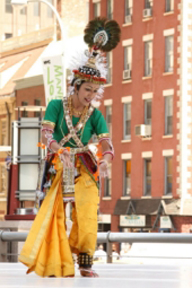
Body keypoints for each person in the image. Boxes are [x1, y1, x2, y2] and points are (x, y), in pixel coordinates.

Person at [19, 17, 121, 278]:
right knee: (55, 216)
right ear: (76, 86)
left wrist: (107, 156)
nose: (91, 95)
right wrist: (58, 150)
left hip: (84, 166)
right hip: (58, 164)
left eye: (95, 92)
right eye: (88, 89)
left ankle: (85, 262)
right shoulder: (56, 105)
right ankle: (56, 262)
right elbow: (47, 134)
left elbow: (106, 139)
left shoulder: (94, 114)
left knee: (88, 212)